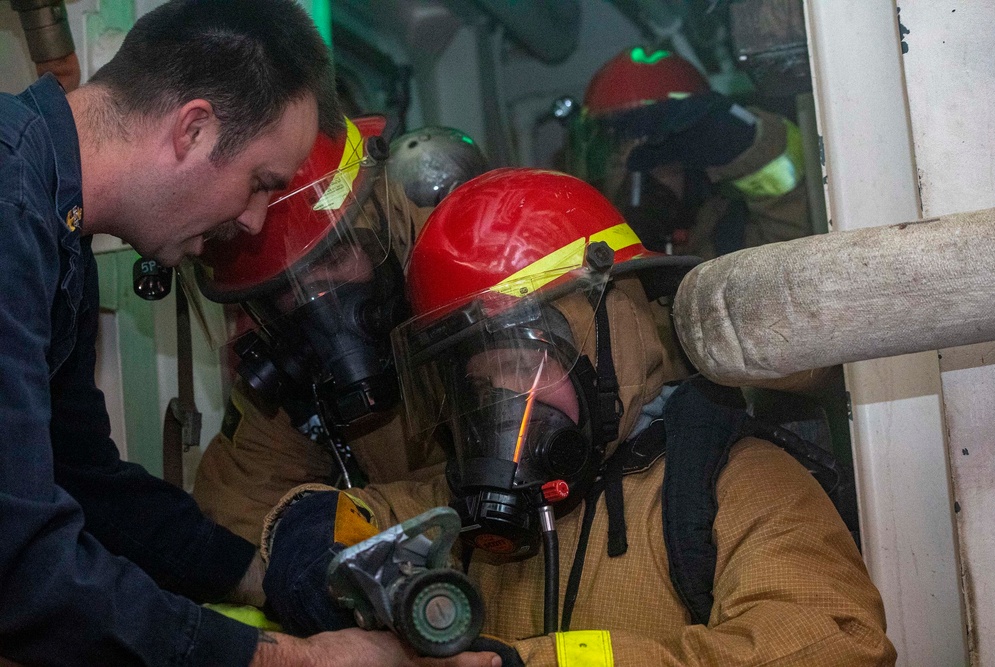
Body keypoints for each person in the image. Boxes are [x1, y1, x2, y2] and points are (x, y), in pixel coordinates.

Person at [0, 1, 497, 665]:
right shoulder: (9, 210)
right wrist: (294, 660)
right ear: (194, 130)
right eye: (261, 183)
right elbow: (19, 562)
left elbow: (91, 484)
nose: (258, 222)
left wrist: (270, 579)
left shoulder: (56, 235)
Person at [257, 168, 896, 665]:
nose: (499, 409)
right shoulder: (459, 507)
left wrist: (523, 664)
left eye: (523, 363)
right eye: (477, 381)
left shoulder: (730, 486)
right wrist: (310, 535)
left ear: (608, 341)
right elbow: (360, 513)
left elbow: (838, 647)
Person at [191, 122, 489, 545]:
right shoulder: (294, 365)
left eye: (334, 257)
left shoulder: (484, 293)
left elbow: (525, 485)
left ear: (384, 231)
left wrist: (356, 528)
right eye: (288, 285)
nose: (319, 297)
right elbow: (233, 507)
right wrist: (302, 555)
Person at [568, 46, 811, 260]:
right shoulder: (579, 265)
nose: (639, 185)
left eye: (661, 164)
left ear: (697, 173)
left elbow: (793, 245)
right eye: (621, 165)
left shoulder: (733, 245)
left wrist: (744, 139)